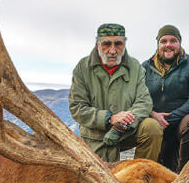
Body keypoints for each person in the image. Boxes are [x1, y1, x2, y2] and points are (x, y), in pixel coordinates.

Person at [69, 23, 163, 162]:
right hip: (96, 136)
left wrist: (120, 125)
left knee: (152, 128)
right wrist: (109, 119)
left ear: (124, 44)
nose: (112, 50)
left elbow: (144, 102)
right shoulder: (83, 68)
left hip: (126, 131)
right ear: (97, 44)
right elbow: (77, 108)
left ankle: (141, 177)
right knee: (100, 178)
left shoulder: (135, 67)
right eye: (106, 44)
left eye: (118, 44)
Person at [142, 25, 189, 172]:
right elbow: (137, 100)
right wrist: (153, 115)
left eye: (173, 40)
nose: (168, 45)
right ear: (158, 44)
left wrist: (167, 120)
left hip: (182, 124)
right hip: (154, 125)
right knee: (161, 172)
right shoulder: (144, 68)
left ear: (179, 43)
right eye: (163, 41)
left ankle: (187, 175)